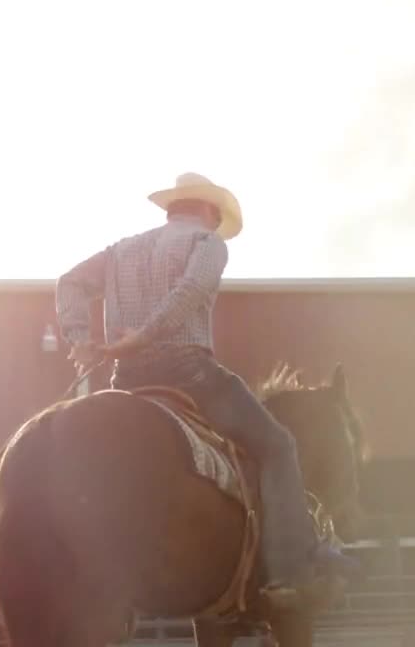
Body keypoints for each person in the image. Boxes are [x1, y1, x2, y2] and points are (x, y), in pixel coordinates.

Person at [54, 172, 362, 605]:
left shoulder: (121, 251)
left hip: (126, 383)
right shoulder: (207, 244)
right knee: (277, 446)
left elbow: (69, 281)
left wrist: (79, 338)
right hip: (190, 376)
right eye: (218, 218)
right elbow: (192, 290)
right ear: (209, 210)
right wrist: (145, 334)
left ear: (172, 208)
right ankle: (292, 570)